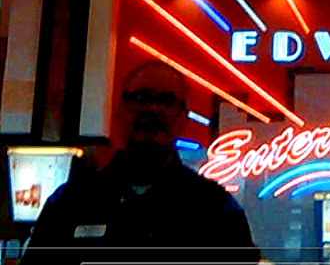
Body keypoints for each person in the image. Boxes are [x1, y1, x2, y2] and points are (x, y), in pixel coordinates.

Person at [21, 61, 261, 265]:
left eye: (167, 101)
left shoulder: (215, 209)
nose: (153, 109)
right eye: (142, 98)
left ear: (183, 119)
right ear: (119, 110)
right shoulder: (70, 203)